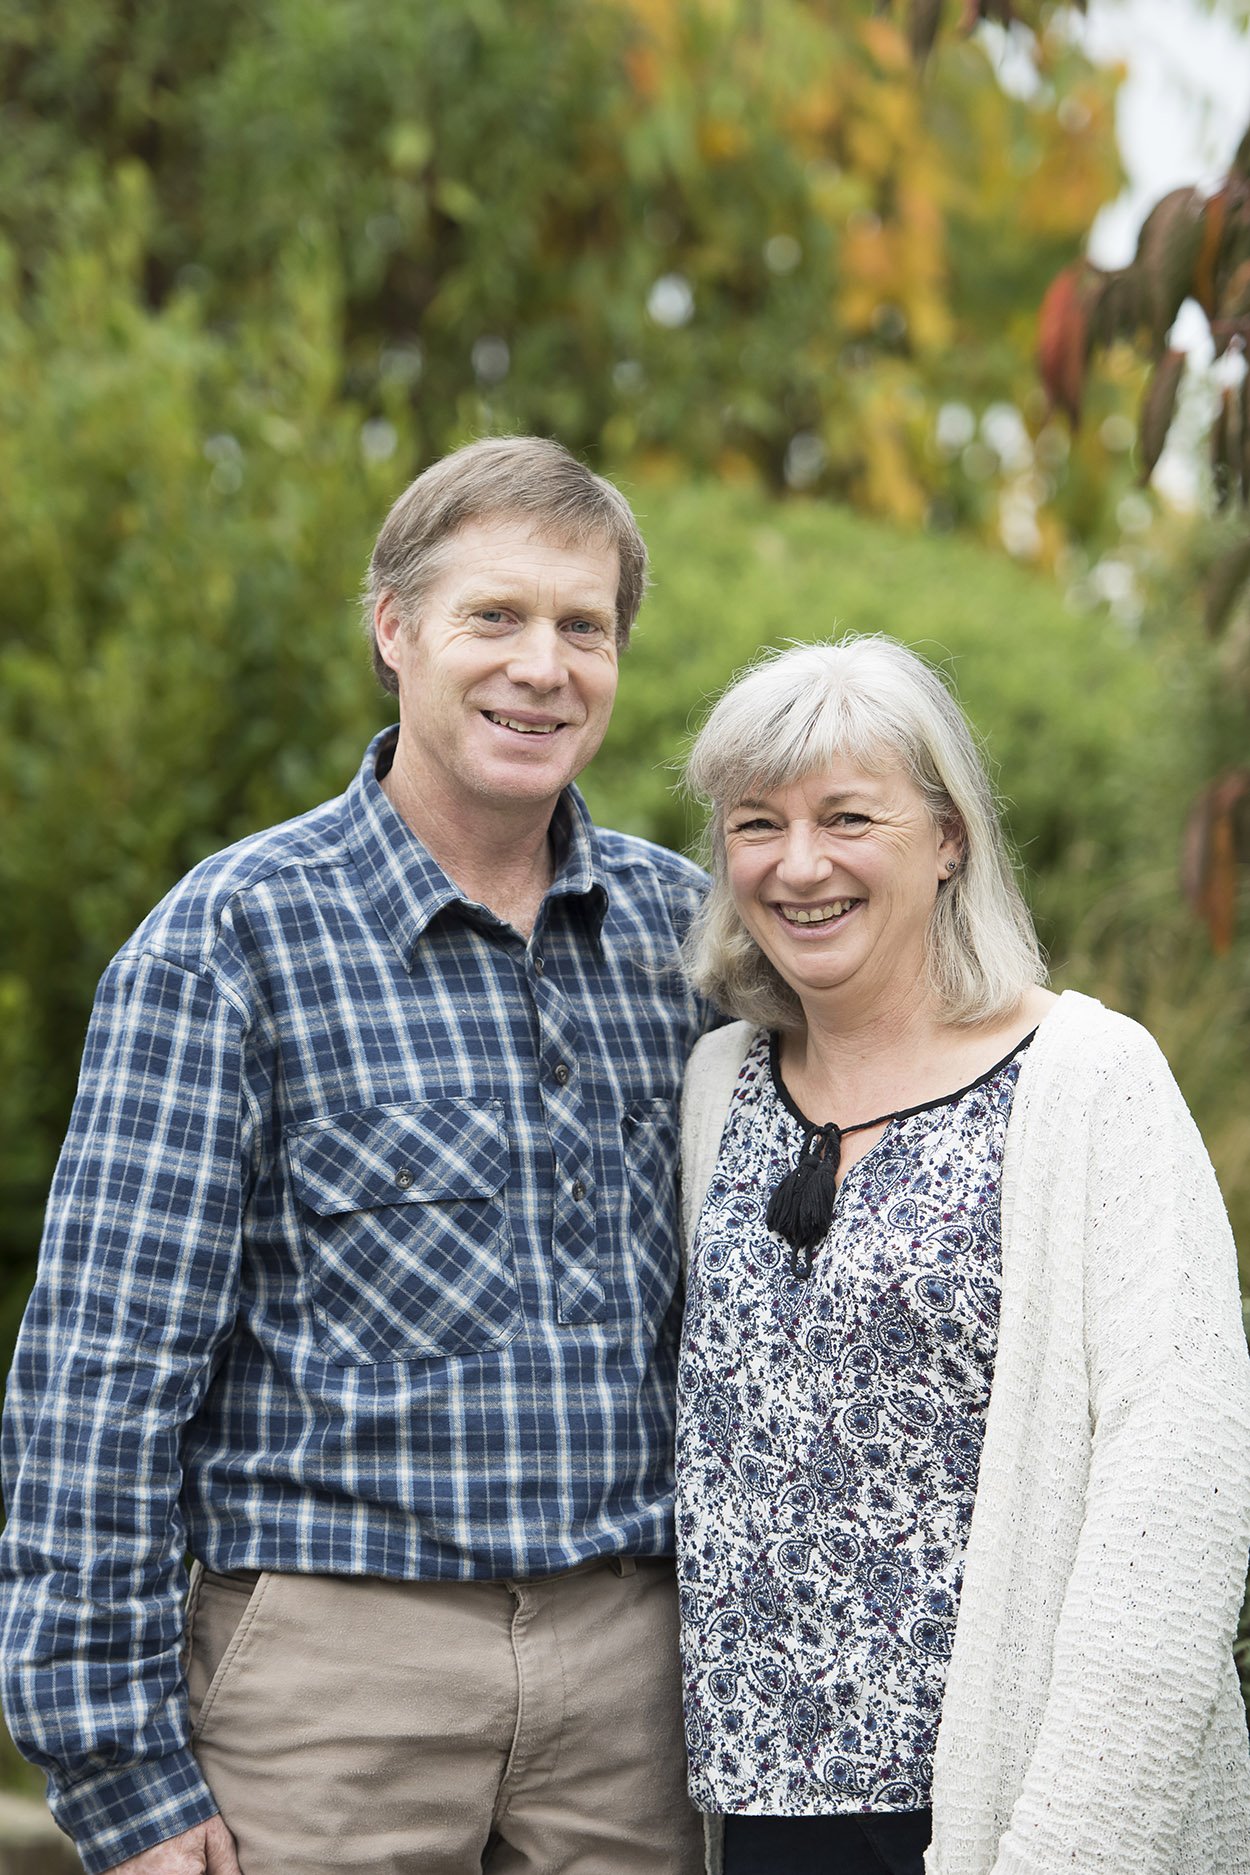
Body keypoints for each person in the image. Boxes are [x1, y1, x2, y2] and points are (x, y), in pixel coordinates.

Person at [0, 436, 712, 1875]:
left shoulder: (685, 939)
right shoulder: (229, 943)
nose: (542, 664)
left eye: (583, 626)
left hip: (636, 1698)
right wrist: (119, 1764)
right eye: (493, 616)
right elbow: (104, 1371)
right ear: (394, 630)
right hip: (330, 1694)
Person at [674, 635, 1250, 1875]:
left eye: (845, 816)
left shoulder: (1089, 1082)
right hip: (756, 1815)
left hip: (1004, 1813)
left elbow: (1179, 1494)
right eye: (756, 823)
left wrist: (1073, 1846)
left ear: (947, 840)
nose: (799, 863)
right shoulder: (716, 1087)